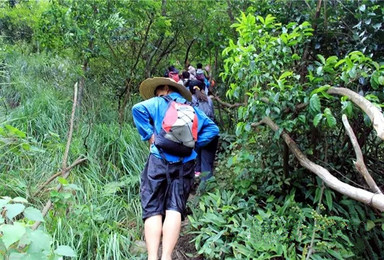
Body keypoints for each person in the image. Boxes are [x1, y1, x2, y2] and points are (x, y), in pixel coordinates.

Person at [132, 77, 219, 260]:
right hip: (185, 163)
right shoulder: (191, 108)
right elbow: (213, 129)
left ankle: (152, 257)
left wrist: (149, 136)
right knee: (175, 208)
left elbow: (137, 109)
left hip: (158, 160)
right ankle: (167, 257)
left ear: (165, 88)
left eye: (158, 91)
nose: (157, 94)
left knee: (153, 208)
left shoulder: (158, 102)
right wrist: (193, 145)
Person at [188, 81, 218, 181]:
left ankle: (201, 184)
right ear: (202, 89)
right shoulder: (208, 100)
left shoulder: (189, 101)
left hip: (196, 135)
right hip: (210, 135)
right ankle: (207, 189)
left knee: (197, 157)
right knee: (207, 163)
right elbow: (212, 116)